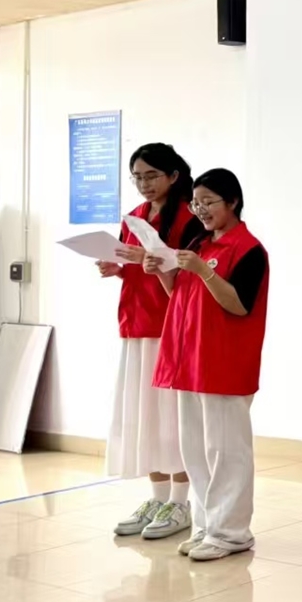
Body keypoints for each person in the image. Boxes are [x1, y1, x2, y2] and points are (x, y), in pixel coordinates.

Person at [147, 169, 269, 562]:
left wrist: (205, 270)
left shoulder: (249, 249)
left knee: (226, 452)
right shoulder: (198, 242)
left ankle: (232, 532)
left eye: (208, 202)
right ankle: (207, 525)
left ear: (232, 202)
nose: (199, 209)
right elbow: (182, 295)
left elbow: (239, 304)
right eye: (196, 202)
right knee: (196, 450)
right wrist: (163, 272)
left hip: (224, 365)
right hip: (189, 361)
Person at [103, 143, 197, 541]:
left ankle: (181, 502)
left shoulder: (190, 216)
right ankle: (158, 499)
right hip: (136, 323)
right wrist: (116, 268)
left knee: (173, 418)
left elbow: (191, 272)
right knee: (145, 416)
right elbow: (133, 267)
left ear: (173, 176)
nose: (144, 184)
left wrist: (155, 260)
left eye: (152, 176)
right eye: (137, 177)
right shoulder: (135, 217)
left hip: (171, 327)